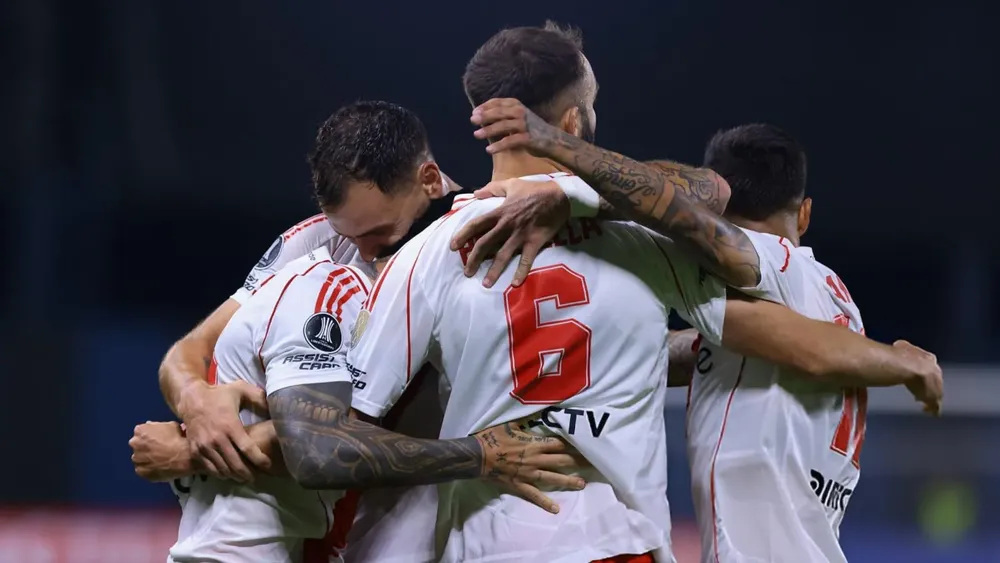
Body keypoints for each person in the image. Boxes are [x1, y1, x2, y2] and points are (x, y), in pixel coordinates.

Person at [339, 22, 941, 563]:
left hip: (491, 540)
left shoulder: (428, 255)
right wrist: (901, 360)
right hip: (615, 541)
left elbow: (348, 429)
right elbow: (774, 327)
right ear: (571, 124)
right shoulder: (638, 240)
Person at [451, 103, 945, 561]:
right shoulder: (831, 294)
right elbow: (707, 350)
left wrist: (565, 185)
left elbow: (685, 221)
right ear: (805, 212)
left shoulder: (772, 262)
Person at [131, 105, 587, 563]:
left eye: (380, 234)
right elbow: (191, 349)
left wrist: (195, 453)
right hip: (342, 506)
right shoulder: (318, 242)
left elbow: (324, 434)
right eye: (346, 233)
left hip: (427, 504)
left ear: (430, 181)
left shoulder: (478, 247)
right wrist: (198, 405)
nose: (364, 253)